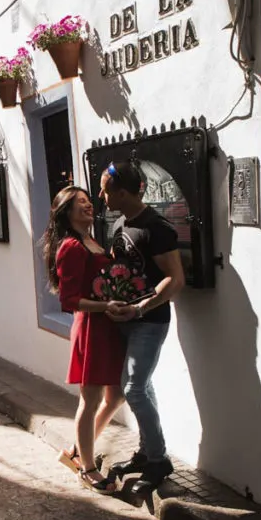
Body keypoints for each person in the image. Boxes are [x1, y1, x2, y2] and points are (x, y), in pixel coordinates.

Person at [99, 161, 185, 493]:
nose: (101, 195)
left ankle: (158, 460)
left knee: (134, 389)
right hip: (125, 320)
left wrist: (138, 308)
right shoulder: (121, 223)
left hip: (149, 321)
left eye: (106, 189)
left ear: (122, 192)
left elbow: (175, 279)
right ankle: (147, 452)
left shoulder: (156, 227)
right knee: (141, 388)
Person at [41, 186, 127, 494]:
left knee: (116, 396)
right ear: (66, 211)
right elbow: (69, 300)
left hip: (106, 325)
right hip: (92, 327)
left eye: (88, 201)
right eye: (80, 203)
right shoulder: (72, 247)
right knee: (90, 400)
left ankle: (78, 451)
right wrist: (106, 305)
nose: (88, 205)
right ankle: (87, 469)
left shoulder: (92, 240)